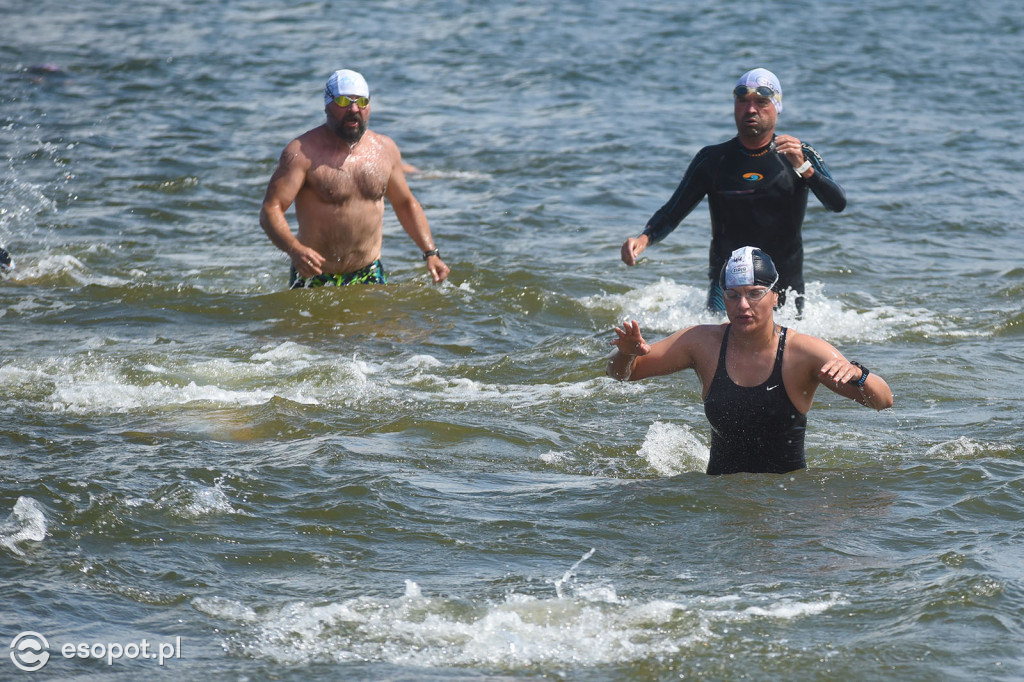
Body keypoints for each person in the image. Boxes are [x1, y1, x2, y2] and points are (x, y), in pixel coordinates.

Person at [607, 246, 892, 475]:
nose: (743, 305)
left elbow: (883, 401)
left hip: (787, 505)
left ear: (775, 299)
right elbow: (623, 374)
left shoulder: (804, 353)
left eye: (755, 294)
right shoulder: (701, 343)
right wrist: (626, 353)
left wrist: (859, 374)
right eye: (733, 296)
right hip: (720, 500)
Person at [620, 68, 846, 314]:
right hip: (727, 284)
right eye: (743, 102)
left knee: (783, 349)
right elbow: (674, 211)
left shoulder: (799, 154)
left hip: (784, 285)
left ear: (777, 107)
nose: (750, 109)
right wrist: (643, 239)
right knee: (720, 345)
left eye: (761, 102)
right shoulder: (712, 159)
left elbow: (837, 203)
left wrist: (804, 167)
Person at [260, 69, 449, 288]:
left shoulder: (385, 149)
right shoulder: (301, 153)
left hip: (369, 272)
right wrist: (295, 249)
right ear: (327, 105)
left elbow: (405, 203)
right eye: (342, 101)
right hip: (314, 274)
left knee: (381, 323)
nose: (353, 109)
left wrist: (430, 253)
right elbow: (270, 210)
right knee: (307, 324)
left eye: (361, 101)